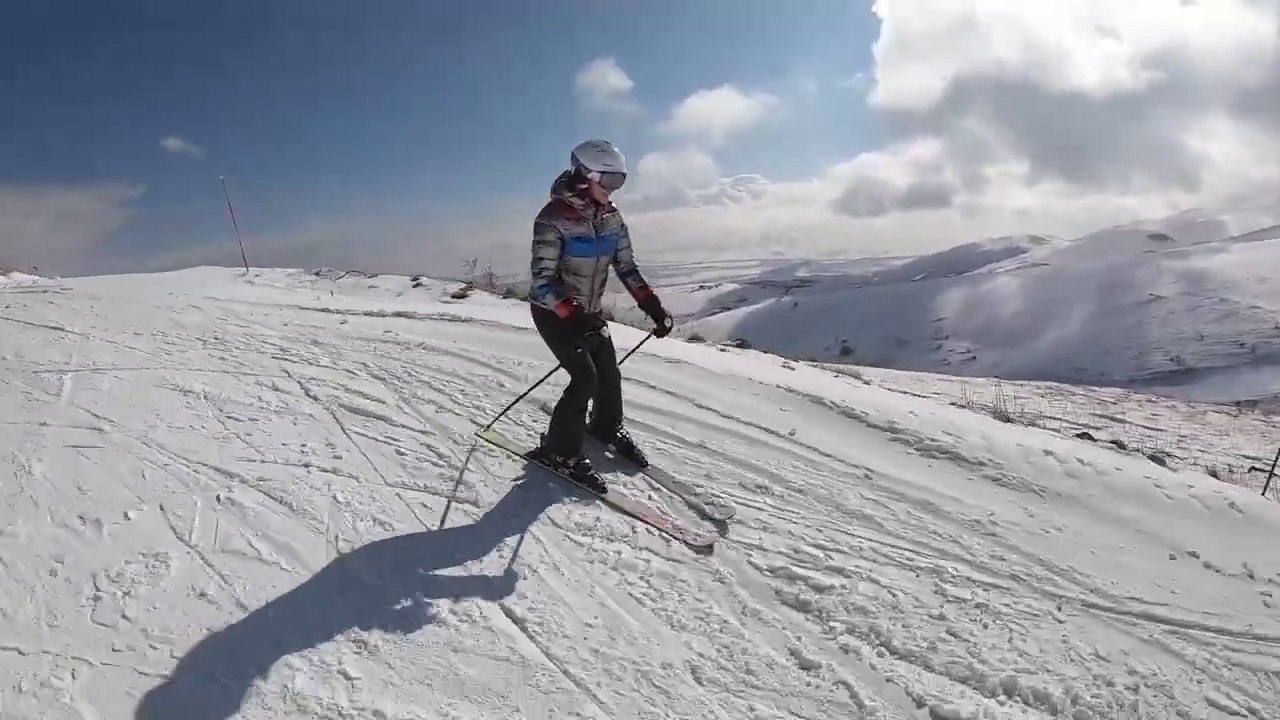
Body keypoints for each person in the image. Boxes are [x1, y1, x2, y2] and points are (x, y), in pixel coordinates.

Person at [526, 139, 673, 491]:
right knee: (584, 378)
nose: (614, 190)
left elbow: (626, 267)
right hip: (553, 313)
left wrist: (652, 307)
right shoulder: (553, 219)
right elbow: (543, 280)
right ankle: (558, 451)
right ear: (586, 176)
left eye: (619, 182)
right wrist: (572, 314)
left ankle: (605, 429)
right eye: (610, 181)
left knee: (608, 372)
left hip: (587, 313)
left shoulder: (612, 219)